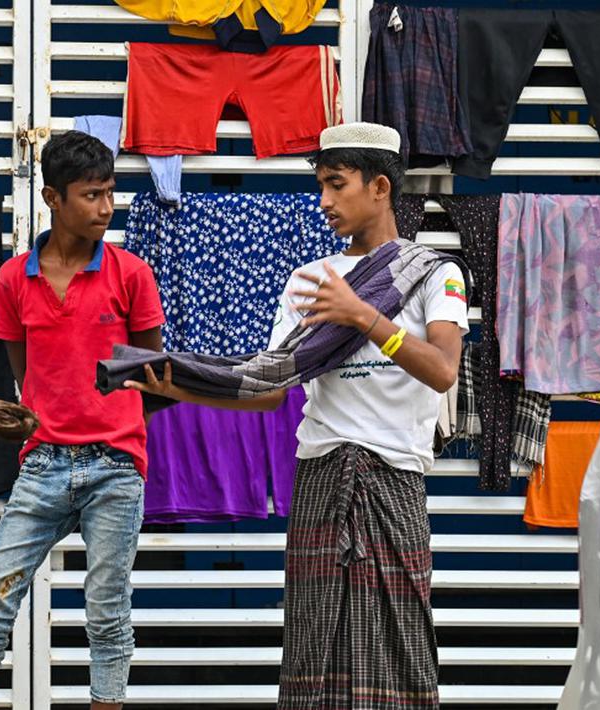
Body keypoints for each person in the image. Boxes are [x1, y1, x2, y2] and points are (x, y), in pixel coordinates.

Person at [126, 123, 467, 708]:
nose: (325, 201)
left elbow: (441, 371)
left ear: (380, 187)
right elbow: (267, 388)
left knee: (401, 646)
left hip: (394, 478)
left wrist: (363, 316)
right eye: (321, 186)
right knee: (314, 646)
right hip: (321, 476)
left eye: (337, 184)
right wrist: (180, 387)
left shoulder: (434, 273)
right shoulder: (308, 280)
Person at [0, 131, 165, 710]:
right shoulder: (12, 279)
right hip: (42, 462)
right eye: (92, 195)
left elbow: (150, 375)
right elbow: (25, 375)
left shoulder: (131, 274)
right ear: (52, 197)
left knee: (107, 613)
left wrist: (116, 428)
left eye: (111, 193)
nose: (106, 208)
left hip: (116, 467)